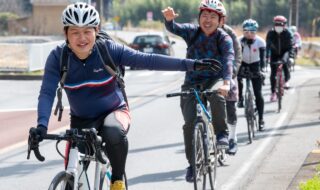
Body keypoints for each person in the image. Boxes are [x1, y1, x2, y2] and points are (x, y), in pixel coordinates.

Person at [33, 2, 222, 190]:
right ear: (66, 33)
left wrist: (192, 64)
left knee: (113, 132)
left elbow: (150, 60)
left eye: (87, 31)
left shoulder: (109, 50)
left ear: (96, 30)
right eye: (75, 32)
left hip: (114, 112)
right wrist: (41, 125)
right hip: (81, 119)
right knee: (72, 177)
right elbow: (47, 93)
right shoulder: (58, 58)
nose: (82, 38)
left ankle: (117, 181)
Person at [162, 0, 234, 182]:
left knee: (218, 96)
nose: (207, 20)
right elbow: (175, 28)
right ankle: (193, 164)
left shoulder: (223, 38)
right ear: (199, 17)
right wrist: (169, 21)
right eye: (204, 16)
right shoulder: (192, 32)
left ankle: (221, 134)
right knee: (189, 124)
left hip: (215, 80)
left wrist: (226, 83)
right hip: (191, 82)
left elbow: (228, 60)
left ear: (220, 21)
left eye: (212, 17)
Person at [219, 3, 242, 155]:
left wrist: (232, 73)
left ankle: (232, 139)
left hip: (228, 74)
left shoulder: (230, 34)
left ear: (223, 19)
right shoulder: (200, 32)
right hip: (208, 74)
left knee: (231, 107)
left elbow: (237, 56)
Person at [238, 19, 266, 130]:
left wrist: (262, 70)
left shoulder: (260, 42)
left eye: (252, 32)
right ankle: (240, 98)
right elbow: (236, 57)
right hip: (243, 63)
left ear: (256, 32)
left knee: (258, 93)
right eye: (246, 32)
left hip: (255, 64)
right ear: (243, 32)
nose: (249, 34)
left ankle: (261, 119)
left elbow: (263, 59)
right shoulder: (239, 41)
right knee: (237, 78)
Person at [266, 15, 295, 102]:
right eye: (276, 24)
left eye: (280, 24)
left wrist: (291, 57)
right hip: (274, 54)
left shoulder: (288, 34)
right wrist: (266, 57)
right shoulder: (270, 33)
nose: (278, 26)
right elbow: (267, 46)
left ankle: (286, 81)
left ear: (284, 25)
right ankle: (273, 93)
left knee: (285, 62)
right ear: (274, 25)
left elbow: (291, 47)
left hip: (284, 52)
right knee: (273, 73)